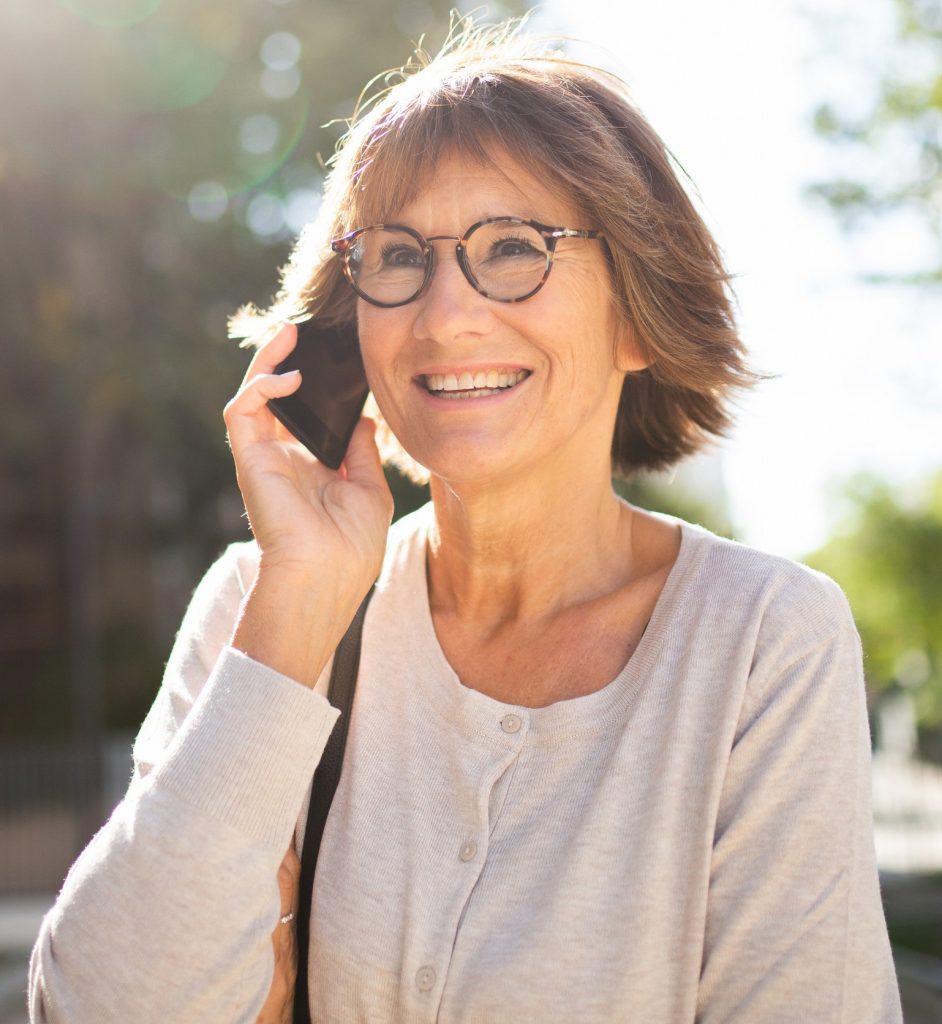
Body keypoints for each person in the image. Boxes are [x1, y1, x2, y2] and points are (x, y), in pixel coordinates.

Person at [29, 16, 903, 1023]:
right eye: (398, 256)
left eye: (515, 248)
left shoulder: (761, 641)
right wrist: (297, 608)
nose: (445, 315)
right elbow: (93, 1006)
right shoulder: (259, 602)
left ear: (636, 314)